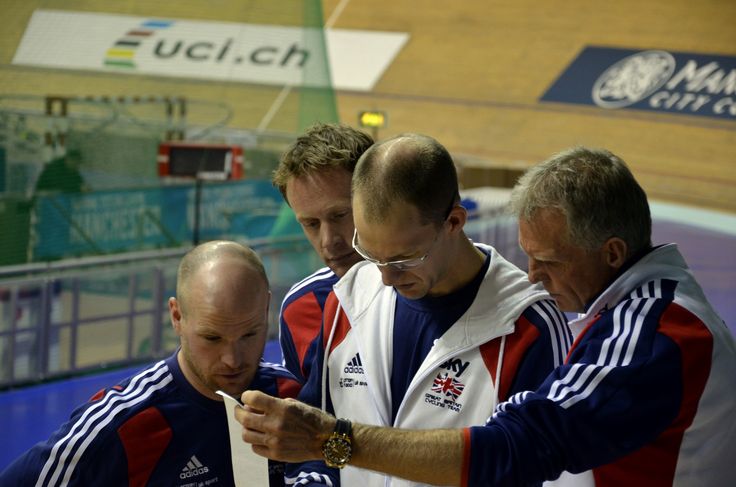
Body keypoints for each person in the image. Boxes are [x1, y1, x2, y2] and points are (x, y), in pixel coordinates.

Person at [235, 147, 736, 486]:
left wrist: (333, 439)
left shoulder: (656, 330)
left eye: (550, 261)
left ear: (611, 252)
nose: (534, 276)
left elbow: (522, 448)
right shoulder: (346, 297)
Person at [283, 133, 571, 486]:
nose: (386, 278)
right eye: (373, 254)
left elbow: (543, 470)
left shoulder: (529, 326)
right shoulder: (351, 295)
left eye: (404, 258)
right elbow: (318, 442)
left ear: (453, 222)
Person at [0, 240, 300, 486]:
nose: (233, 359)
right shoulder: (120, 423)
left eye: (249, 334)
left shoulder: (291, 397)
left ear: (266, 309)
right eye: (212, 338)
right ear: (177, 316)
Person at [271, 123, 374, 392]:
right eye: (311, 224)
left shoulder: (441, 287)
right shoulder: (301, 307)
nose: (329, 241)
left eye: (340, 215)